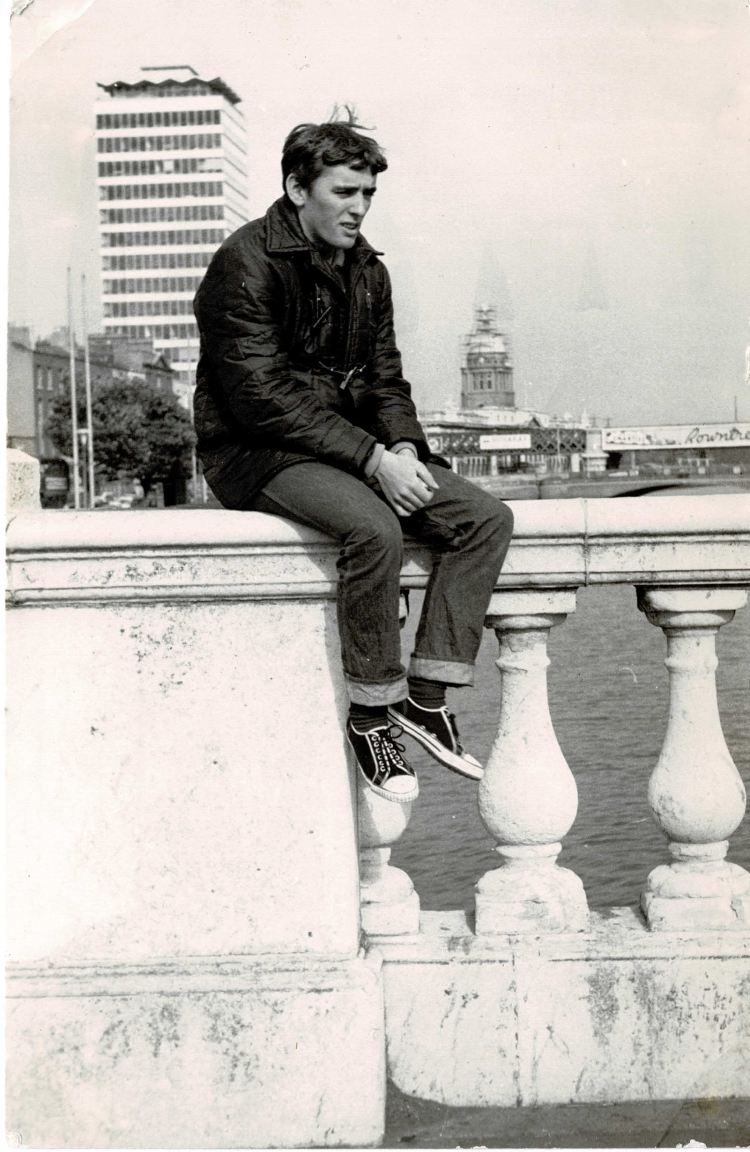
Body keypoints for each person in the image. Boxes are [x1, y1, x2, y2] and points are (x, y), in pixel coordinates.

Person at [193, 111, 514, 804]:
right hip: (255, 451)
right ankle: (371, 716)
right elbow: (260, 398)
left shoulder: (368, 269)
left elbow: (385, 376)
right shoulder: (244, 262)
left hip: (344, 447)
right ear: (296, 187)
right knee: (375, 528)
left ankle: (426, 699)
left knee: (486, 518)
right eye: (344, 192)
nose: (359, 208)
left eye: (367, 194)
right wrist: (372, 459)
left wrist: (399, 442)